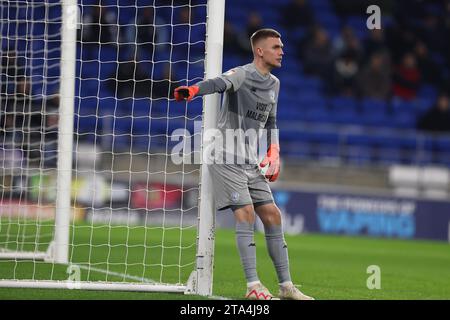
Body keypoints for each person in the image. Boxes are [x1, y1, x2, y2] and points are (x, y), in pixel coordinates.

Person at [173, 28, 314, 300]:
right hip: (225, 156)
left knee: (273, 215)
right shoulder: (241, 74)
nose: (282, 51)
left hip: (248, 160)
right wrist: (192, 90)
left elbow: (271, 121)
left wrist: (274, 151)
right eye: (276, 47)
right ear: (259, 51)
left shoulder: (274, 84)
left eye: (282, 46)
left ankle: (286, 287)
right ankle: (253, 286)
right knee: (246, 212)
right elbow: (216, 83)